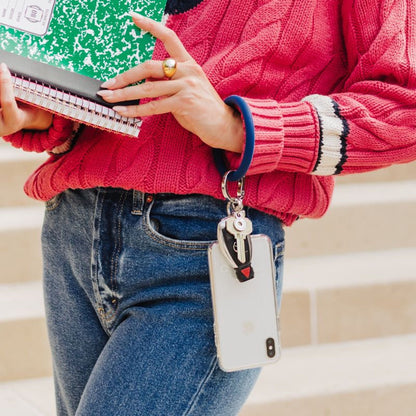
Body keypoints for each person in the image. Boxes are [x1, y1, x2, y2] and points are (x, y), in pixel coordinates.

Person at [1, 1, 416, 415]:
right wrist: (38, 108)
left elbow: (405, 106)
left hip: (202, 250)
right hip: (74, 227)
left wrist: (240, 127)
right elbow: (99, 67)